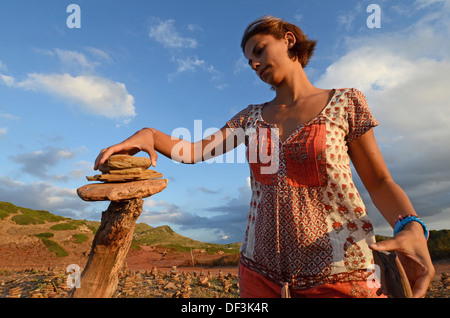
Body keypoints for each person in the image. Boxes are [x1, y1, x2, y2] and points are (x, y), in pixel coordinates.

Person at [94, 16, 435, 298]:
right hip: (259, 275)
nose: (255, 63)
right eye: (249, 61)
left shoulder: (345, 101)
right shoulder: (249, 117)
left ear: (288, 40)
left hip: (341, 271)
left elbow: (379, 181)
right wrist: (149, 134)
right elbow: (194, 151)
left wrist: (411, 225)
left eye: (259, 50)